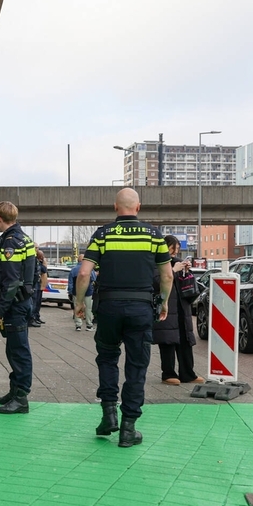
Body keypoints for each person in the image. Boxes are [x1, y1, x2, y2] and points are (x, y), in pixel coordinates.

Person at [74, 188, 173, 447]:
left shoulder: (103, 234)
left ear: (115, 207)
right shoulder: (154, 235)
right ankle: (128, 429)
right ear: (138, 207)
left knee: (107, 359)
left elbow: (84, 274)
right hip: (141, 309)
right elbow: (167, 276)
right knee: (137, 366)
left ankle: (109, 416)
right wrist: (163, 302)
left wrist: (78, 304)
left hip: (108, 308)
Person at [0, 201, 36, 414]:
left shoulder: (11, 243)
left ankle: (21, 398)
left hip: (15, 305)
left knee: (18, 351)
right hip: (23, 302)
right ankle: (15, 390)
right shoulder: (24, 239)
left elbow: (11, 281)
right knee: (14, 349)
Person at [152, 235, 205, 386]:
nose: (175, 252)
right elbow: (156, 283)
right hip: (166, 308)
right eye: (172, 248)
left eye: (177, 249)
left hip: (182, 308)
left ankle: (188, 373)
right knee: (168, 340)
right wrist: (173, 271)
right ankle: (168, 374)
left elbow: (188, 286)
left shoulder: (178, 263)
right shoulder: (156, 263)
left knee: (185, 340)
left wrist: (186, 272)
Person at [68, 253, 96, 331]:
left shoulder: (73, 270)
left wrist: (70, 292)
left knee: (77, 306)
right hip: (88, 292)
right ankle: (89, 325)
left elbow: (70, 283)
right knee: (88, 308)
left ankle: (78, 325)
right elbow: (94, 278)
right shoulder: (89, 269)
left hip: (76, 292)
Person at [30, 249, 48, 327]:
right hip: (36, 285)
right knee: (34, 303)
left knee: (37, 303)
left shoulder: (38, 262)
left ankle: (36, 317)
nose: (43, 257)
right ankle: (32, 319)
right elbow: (44, 270)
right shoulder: (36, 262)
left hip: (40, 285)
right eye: (42, 255)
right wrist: (44, 262)